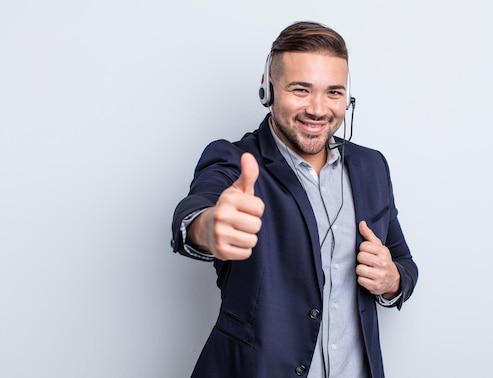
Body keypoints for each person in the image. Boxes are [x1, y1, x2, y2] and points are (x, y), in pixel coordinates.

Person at [170, 21, 418, 378]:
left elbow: (404, 263)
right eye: (301, 89)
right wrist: (208, 228)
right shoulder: (234, 161)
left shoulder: (372, 167)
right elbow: (194, 213)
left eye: (333, 92)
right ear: (268, 90)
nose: (318, 109)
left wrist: (392, 279)